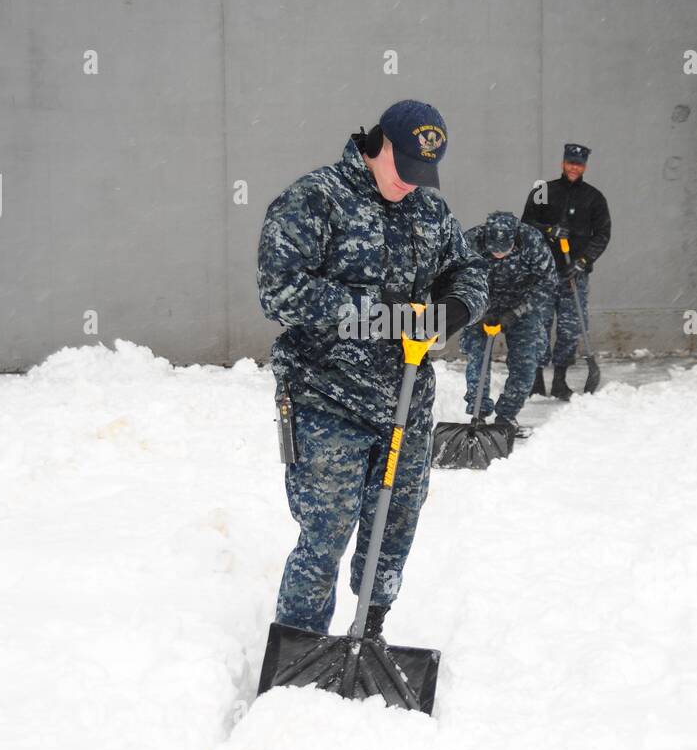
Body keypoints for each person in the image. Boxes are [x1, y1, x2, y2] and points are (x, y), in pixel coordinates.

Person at [257, 100, 489, 640]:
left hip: (406, 400)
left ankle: (369, 630)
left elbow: (470, 268)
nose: (411, 184)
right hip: (324, 397)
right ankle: (301, 642)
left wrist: (455, 309)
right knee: (326, 530)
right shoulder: (314, 200)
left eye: (422, 174)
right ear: (379, 144)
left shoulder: (429, 213)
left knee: (395, 523)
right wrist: (381, 315)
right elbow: (279, 292)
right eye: (403, 169)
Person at [521, 143, 611, 400]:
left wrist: (582, 261)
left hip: (574, 274)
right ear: (563, 163)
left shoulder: (594, 198)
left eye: (579, 164)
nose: (574, 168)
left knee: (570, 327)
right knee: (538, 324)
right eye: (570, 162)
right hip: (543, 272)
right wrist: (548, 230)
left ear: (584, 167)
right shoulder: (543, 191)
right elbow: (525, 225)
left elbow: (602, 235)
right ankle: (535, 380)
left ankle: (559, 380)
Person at [460, 211, 557, 437]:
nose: (499, 255)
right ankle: (478, 414)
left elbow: (547, 283)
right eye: (494, 251)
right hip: (481, 303)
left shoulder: (532, 241)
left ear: (515, 239)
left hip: (522, 305)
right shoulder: (471, 241)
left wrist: (515, 313)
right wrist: (478, 309)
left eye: (504, 250)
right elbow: (455, 278)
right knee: (476, 356)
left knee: (526, 360)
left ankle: (506, 416)